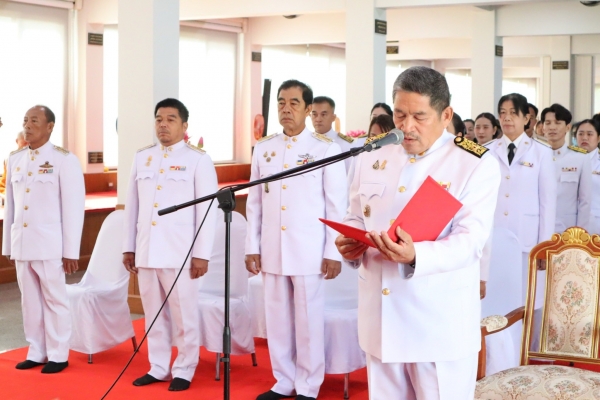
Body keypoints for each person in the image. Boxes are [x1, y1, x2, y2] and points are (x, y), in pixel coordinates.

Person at [336, 66, 500, 399]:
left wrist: (416, 255)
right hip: (381, 322)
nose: (406, 126)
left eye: (419, 117)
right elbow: (356, 215)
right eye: (400, 114)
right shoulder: (373, 154)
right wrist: (349, 242)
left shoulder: (473, 163)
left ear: (446, 115)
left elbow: (471, 241)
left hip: (437, 326)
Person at [245, 80, 347, 400]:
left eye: (293, 103)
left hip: (309, 249)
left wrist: (333, 251)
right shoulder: (264, 148)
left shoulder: (325, 149)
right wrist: (252, 246)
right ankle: (283, 381)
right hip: (273, 248)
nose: (286, 109)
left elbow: (336, 205)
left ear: (307, 109)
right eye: (281, 103)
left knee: (307, 321)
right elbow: (255, 203)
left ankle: (308, 385)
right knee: (277, 319)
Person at [123, 98, 218, 392]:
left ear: (184, 125)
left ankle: (185, 368)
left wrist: (201, 254)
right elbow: (133, 206)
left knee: (183, 314)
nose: (163, 125)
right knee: (153, 314)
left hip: (181, 252)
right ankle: (158, 366)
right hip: (147, 249)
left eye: (170, 119)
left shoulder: (198, 160)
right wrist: (129, 247)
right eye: (159, 119)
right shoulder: (143, 157)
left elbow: (207, 211)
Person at [2, 105, 85, 373]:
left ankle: (59, 353)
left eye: (34, 121)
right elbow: (11, 207)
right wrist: (8, 244)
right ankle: (37, 350)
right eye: (25, 120)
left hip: (49, 244)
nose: (28, 125)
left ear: (49, 126)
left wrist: (71, 250)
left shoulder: (63, 159)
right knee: (29, 301)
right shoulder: (15, 158)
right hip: (22, 243)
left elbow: (73, 208)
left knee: (54, 299)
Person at [541, 103, 591, 233]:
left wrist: (580, 234)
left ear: (567, 127)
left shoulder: (580, 158)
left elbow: (585, 201)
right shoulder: (534, 157)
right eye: (548, 123)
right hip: (538, 229)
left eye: (557, 123)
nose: (552, 127)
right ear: (543, 127)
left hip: (567, 230)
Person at [311, 96, 359, 172]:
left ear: (333, 117)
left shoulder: (346, 145)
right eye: (314, 114)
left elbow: (351, 174)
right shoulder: (305, 142)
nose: (318, 119)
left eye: (323, 114)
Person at [576, 119, 600, 235]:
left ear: (598, 138)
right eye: (580, 134)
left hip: (596, 225)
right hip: (570, 224)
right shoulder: (567, 160)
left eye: (590, 134)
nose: (584, 138)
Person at [1, 131, 27, 196]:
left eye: (30, 143)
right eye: (25, 143)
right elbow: (3, 185)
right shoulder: (10, 161)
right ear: (17, 141)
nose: (27, 146)